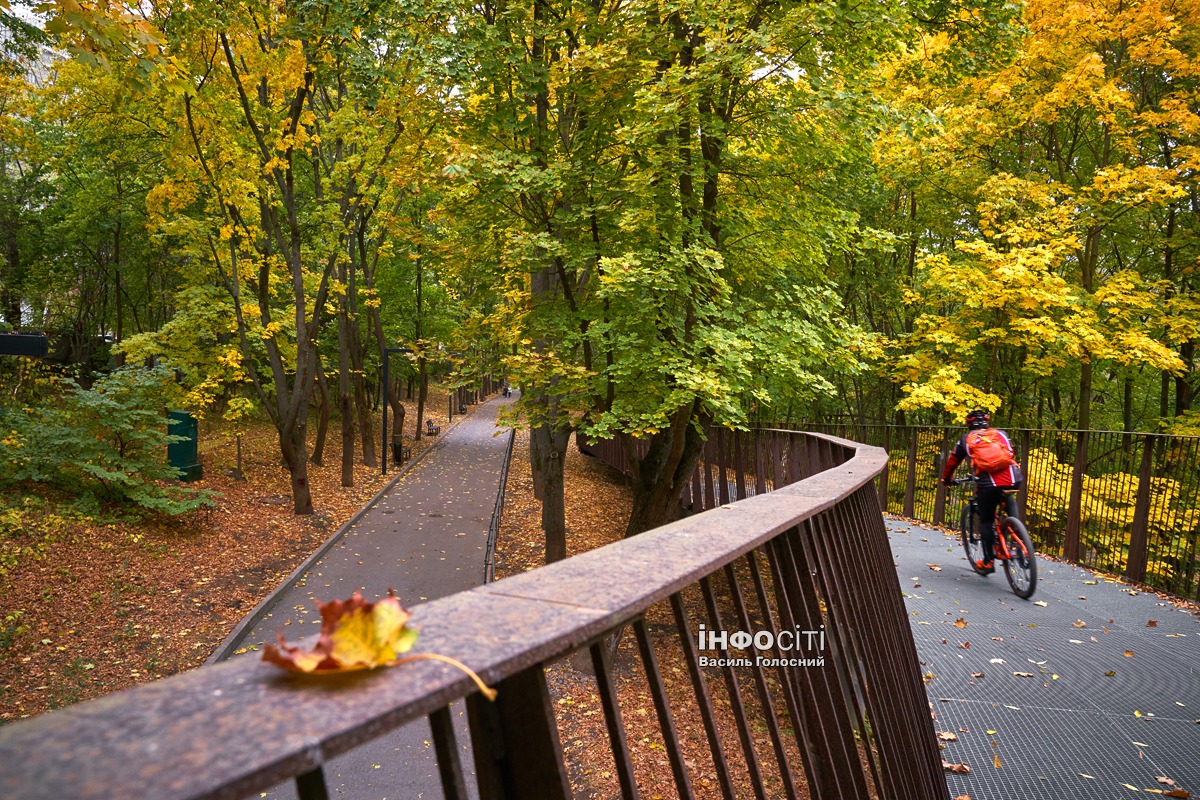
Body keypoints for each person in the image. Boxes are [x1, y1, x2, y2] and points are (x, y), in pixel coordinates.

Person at [941, 409, 1023, 574]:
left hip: (988, 483)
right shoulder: (1001, 434)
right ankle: (1018, 540)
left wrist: (947, 479)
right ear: (987, 421)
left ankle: (988, 561)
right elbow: (1010, 453)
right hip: (1013, 478)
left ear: (968, 424)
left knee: (986, 520)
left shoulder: (966, 439)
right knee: (1009, 499)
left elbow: (952, 461)